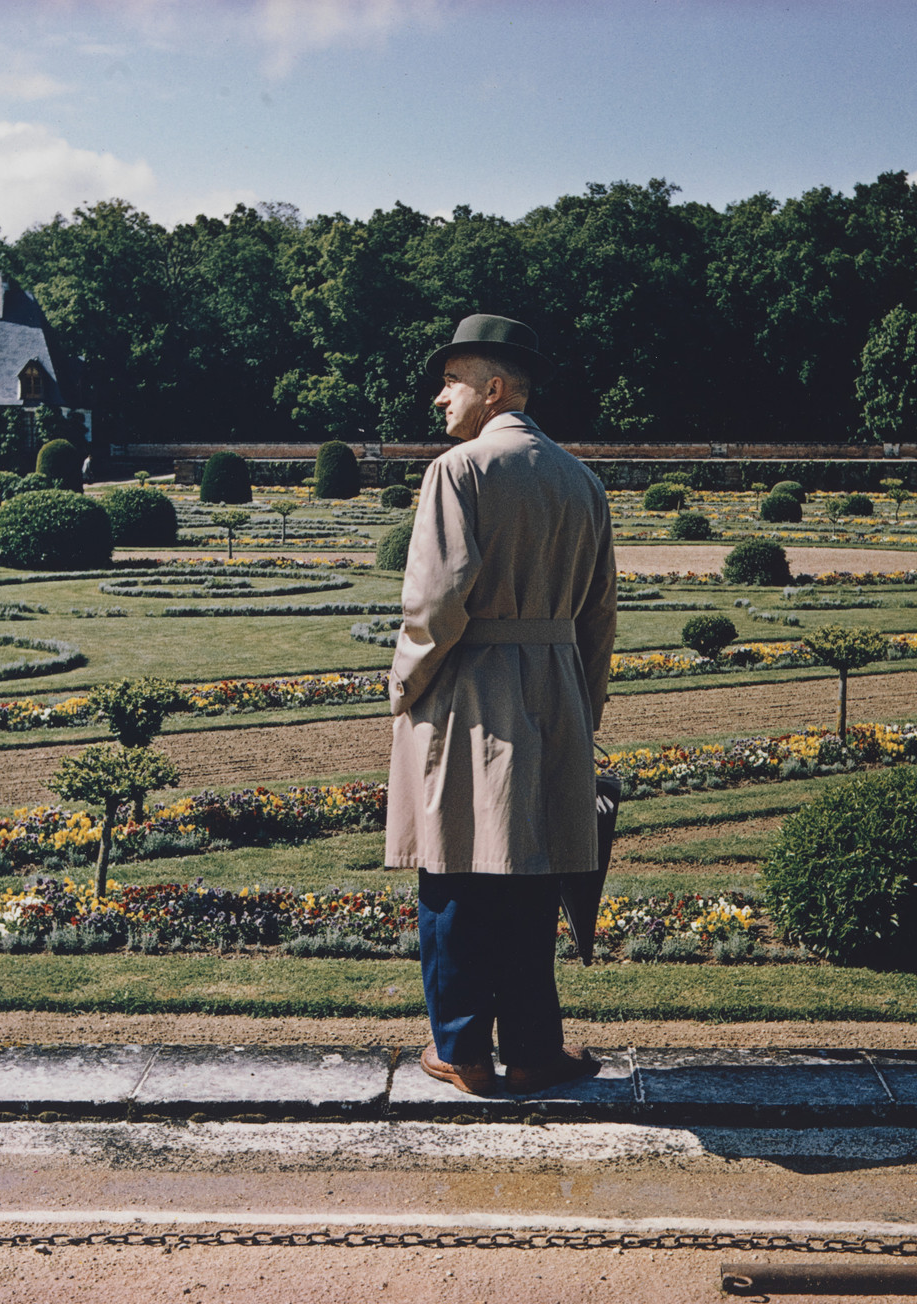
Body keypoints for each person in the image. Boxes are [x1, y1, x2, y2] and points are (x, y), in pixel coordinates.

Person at [385, 314, 618, 1096]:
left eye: (451, 382)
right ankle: (534, 1049)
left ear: (493, 390)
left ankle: (462, 1052)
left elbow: (435, 605)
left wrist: (403, 685)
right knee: (529, 878)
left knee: (453, 872)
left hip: (470, 687)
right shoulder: (582, 480)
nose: (438, 399)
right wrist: (582, 707)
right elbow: (599, 617)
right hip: (555, 688)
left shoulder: (459, 472)